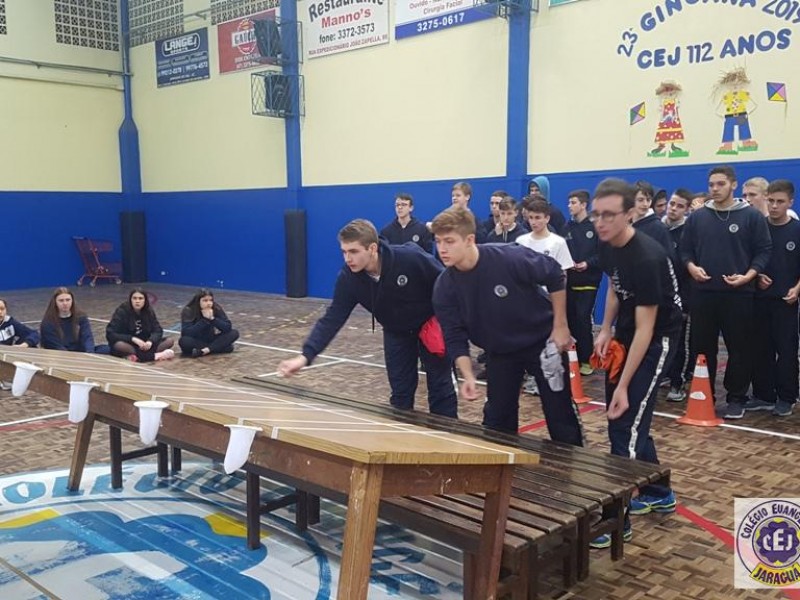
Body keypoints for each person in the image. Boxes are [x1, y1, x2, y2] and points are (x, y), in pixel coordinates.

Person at [430, 206, 584, 441]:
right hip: (500, 350)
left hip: (542, 342)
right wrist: (468, 375)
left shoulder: (509, 257)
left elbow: (555, 274)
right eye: (438, 241)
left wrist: (561, 326)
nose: (442, 249)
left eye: (449, 241)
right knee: (497, 421)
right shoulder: (444, 287)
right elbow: (454, 335)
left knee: (559, 413)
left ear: (469, 240)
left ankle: (571, 460)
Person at [278, 219, 458, 417]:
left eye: (353, 251)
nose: (348, 258)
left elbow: (448, 283)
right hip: (396, 332)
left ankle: (448, 432)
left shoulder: (410, 258)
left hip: (429, 325)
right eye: (344, 252)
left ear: (372, 248)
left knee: (441, 389)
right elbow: (332, 318)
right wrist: (305, 356)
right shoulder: (348, 279)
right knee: (400, 394)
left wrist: (450, 321)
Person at [589, 178, 681, 548]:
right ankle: (658, 491)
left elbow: (647, 329)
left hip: (657, 339)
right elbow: (614, 284)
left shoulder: (647, 257)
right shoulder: (607, 242)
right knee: (628, 420)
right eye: (596, 214)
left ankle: (616, 521)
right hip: (627, 332)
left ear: (630, 214)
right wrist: (605, 328)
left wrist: (624, 385)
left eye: (609, 215)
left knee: (624, 424)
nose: (600, 222)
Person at [679, 165, 772, 418]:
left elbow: (764, 251)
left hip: (739, 295)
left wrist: (749, 276)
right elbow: (685, 250)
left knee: (739, 348)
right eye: (711, 184)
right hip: (703, 294)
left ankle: (736, 398)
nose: (715, 189)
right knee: (702, 348)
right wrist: (691, 267)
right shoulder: (698, 217)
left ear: (733, 184)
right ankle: (704, 395)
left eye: (720, 184)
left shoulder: (751, 216)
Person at [748, 179, 800, 417]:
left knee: (786, 350)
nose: (775, 206)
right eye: (771, 201)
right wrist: (756, 275)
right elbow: (749, 261)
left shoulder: (797, 230)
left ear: (790, 202)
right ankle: (764, 395)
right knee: (760, 349)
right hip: (759, 299)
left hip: (786, 302)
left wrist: (797, 289)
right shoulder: (758, 228)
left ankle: (787, 396)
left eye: (780, 201)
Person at [564, 190, 602, 376]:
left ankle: (587, 359)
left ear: (583, 205)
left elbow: (601, 255)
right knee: (571, 320)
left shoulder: (595, 227)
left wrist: (587, 264)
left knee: (583, 319)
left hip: (589, 282)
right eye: (569, 202)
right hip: (570, 282)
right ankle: (573, 358)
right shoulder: (567, 228)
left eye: (573, 202)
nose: (569, 206)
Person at [661, 189, 694, 401]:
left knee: (680, 342)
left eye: (679, 206)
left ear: (687, 209)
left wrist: (686, 301)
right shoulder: (658, 229)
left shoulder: (689, 233)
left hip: (682, 296)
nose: (673, 208)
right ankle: (663, 374)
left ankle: (677, 382)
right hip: (659, 296)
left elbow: (689, 270)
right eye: (672, 203)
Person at [106, 288, 175, 362]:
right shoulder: (122, 311)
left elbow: (158, 330)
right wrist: (132, 339)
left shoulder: (149, 311)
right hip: (129, 344)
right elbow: (111, 334)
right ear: (130, 300)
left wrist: (150, 341)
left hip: (145, 345)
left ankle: (136, 357)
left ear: (145, 300)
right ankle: (155, 356)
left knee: (169, 341)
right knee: (119, 345)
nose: (137, 301)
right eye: (134, 298)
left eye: (140, 298)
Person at [40, 287, 109, 353]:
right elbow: (55, 345)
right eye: (61, 301)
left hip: (81, 351)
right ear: (55, 302)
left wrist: (90, 352)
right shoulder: (48, 322)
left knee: (107, 349)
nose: (65, 303)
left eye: (68, 300)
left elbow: (87, 337)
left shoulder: (81, 317)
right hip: (60, 354)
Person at [179, 289, 239, 358]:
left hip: (211, 339)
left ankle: (205, 350)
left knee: (234, 333)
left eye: (211, 300)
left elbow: (227, 327)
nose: (209, 303)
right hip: (196, 340)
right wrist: (205, 320)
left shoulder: (216, 308)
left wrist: (213, 319)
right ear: (198, 301)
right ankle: (216, 348)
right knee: (184, 341)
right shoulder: (189, 310)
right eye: (205, 300)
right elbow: (186, 333)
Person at [631, 181, 675, 261]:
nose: (645, 204)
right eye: (640, 200)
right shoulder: (626, 225)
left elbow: (669, 259)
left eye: (648, 200)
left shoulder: (659, 228)